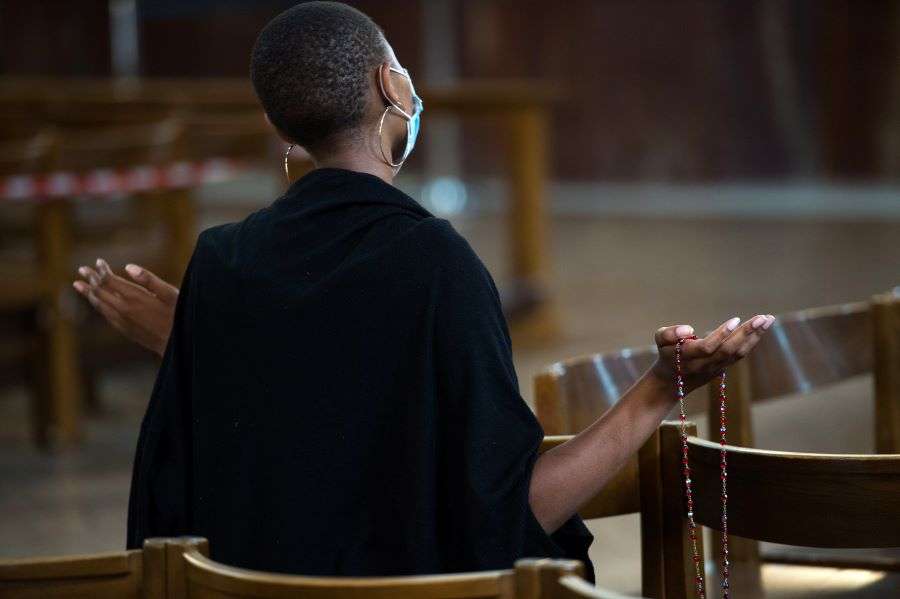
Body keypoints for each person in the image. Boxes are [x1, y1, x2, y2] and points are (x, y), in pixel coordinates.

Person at [73, 1, 775, 581]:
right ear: (391, 86)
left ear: (278, 127)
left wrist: (196, 340)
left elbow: (227, 477)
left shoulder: (222, 262)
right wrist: (661, 385)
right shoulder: (438, 264)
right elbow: (506, 511)